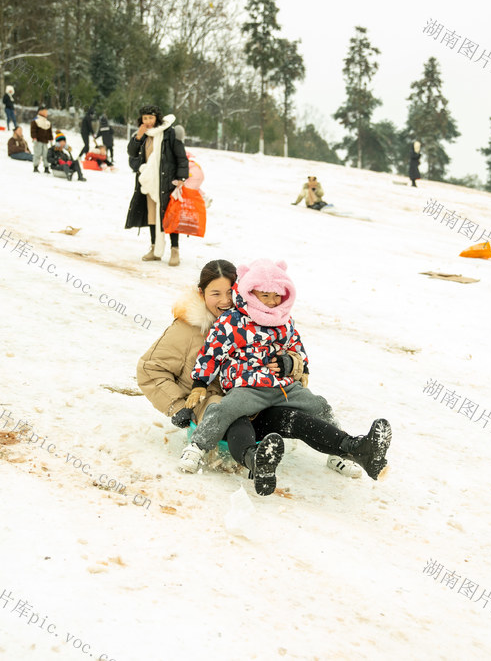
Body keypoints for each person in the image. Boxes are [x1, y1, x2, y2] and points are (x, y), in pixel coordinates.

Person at [136, 260, 388, 492]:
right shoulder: (191, 329)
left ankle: (350, 450)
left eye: (229, 291)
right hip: (219, 402)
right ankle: (253, 460)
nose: (225, 300)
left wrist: (292, 364)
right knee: (233, 418)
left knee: (303, 414)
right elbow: (150, 370)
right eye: (215, 293)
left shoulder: (266, 317)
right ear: (201, 293)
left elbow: (294, 347)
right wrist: (178, 405)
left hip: (267, 393)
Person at [125, 105, 188, 267]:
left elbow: (181, 156)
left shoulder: (168, 133)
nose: (148, 122)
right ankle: (154, 249)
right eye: (145, 118)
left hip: (167, 183)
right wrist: (138, 137)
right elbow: (132, 153)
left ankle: (175, 250)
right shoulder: (143, 135)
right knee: (152, 216)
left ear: (156, 118)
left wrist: (181, 176)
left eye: (150, 118)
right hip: (149, 184)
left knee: (170, 216)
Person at [30, 108, 53, 173]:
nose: (46, 113)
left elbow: (49, 132)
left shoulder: (47, 123)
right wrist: (34, 137)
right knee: (37, 154)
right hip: (38, 141)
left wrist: (50, 138)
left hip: (45, 142)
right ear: (40, 112)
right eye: (45, 112)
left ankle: (46, 167)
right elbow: (33, 130)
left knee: (46, 155)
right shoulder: (36, 121)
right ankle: (36, 166)